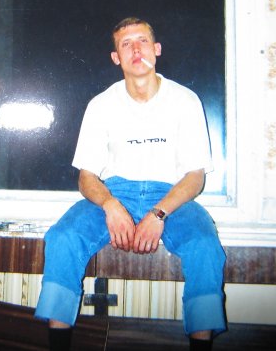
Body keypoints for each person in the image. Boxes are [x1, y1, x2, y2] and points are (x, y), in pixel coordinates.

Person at [34, 17, 227, 351]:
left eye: (142, 41)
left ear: (157, 49)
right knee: (62, 238)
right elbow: (86, 176)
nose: (136, 49)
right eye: (126, 44)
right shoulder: (101, 105)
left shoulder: (186, 101)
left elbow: (195, 176)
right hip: (114, 191)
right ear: (116, 57)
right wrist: (110, 205)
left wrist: (159, 213)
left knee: (205, 247)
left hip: (170, 195)